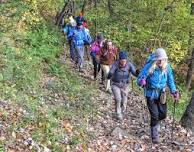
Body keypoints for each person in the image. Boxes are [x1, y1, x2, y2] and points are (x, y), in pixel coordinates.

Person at [137, 48, 180, 144]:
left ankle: (156, 124)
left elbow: (170, 80)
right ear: (156, 59)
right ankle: (154, 136)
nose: (161, 61)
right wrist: (142, 82)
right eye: (160, 59)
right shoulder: (150, 66)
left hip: (162, 94)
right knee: (154, 115)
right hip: (150, 94)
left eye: (163, 59)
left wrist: (174, 91)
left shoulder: (167, 67)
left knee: (163, 114)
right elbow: (140, 78)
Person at [107, 51, 138, 120]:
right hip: (115, 84)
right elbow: (111, 71)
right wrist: (110, 74)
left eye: (124, 60)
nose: (123, 62)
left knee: (124, 101)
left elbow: (134, 72)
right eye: (122, 61)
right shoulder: (115, 64)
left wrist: (137, 73)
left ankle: (122, 111)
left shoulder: (129, 64)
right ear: (119, 60)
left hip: (125, 85)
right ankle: (118, 113)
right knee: (118, 99)